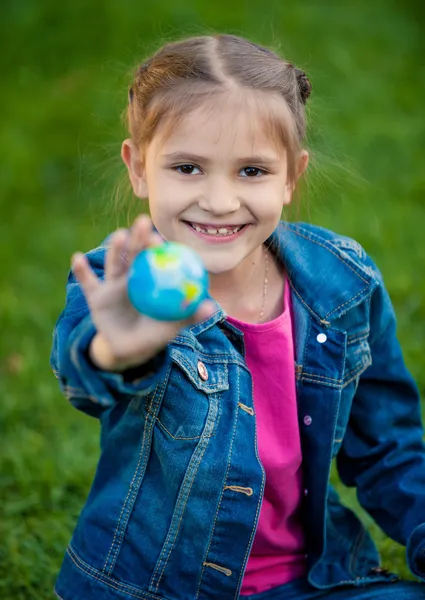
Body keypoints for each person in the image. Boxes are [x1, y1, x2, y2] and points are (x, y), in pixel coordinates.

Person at [50, 34, 425, 600]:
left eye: (251, 171)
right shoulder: (123, 286)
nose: (221, 200)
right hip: (158, 590)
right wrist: (117, 352)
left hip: (316, 582)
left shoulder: (342, 283)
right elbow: (84, 371)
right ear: (139, 169)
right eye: (187, 168)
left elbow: (389, 447)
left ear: (292, 176)